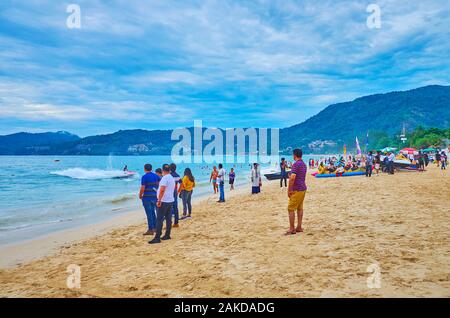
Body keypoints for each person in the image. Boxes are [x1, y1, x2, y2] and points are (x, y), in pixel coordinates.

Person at [149, 164, 175, 244]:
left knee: (159, 219)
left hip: (164, 201)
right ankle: (167, 234)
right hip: (170, 200)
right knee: (168, 219)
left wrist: (159, 200)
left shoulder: (165, 178)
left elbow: (162, 189)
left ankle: (157, 237)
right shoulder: (171, 178)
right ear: (169, 170)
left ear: (163, 170)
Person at [286, 148, 307, 235]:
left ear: (294, 155)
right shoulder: (304, 164)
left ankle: (292, 228)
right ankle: (299, 226)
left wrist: (289, 190)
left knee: (290, 208)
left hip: (297, 189)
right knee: (299, 208)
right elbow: (298, 176)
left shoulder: (295, 164)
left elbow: (293, 178)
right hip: (303, 189)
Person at [139, 164, 161, 236]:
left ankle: (150, 229)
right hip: (155, 196)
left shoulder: (144, 177)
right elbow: (159, 184)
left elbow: (143, 188)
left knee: (149, 213)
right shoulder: (156, 176)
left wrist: (140, 195)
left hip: (147, 197)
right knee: (153, 212)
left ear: (145, 169)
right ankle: (155, 228)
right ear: (151, 169)